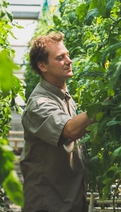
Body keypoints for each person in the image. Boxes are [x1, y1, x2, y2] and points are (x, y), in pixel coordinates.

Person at [20, 32, 95, 212]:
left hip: (70, 200)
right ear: (42, 65)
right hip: (48, 203)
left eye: (67, 55)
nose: (69, 61)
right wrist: (104, 106)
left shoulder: (64, 98)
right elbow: (70, 130)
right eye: (60, 58)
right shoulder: (38, 104)